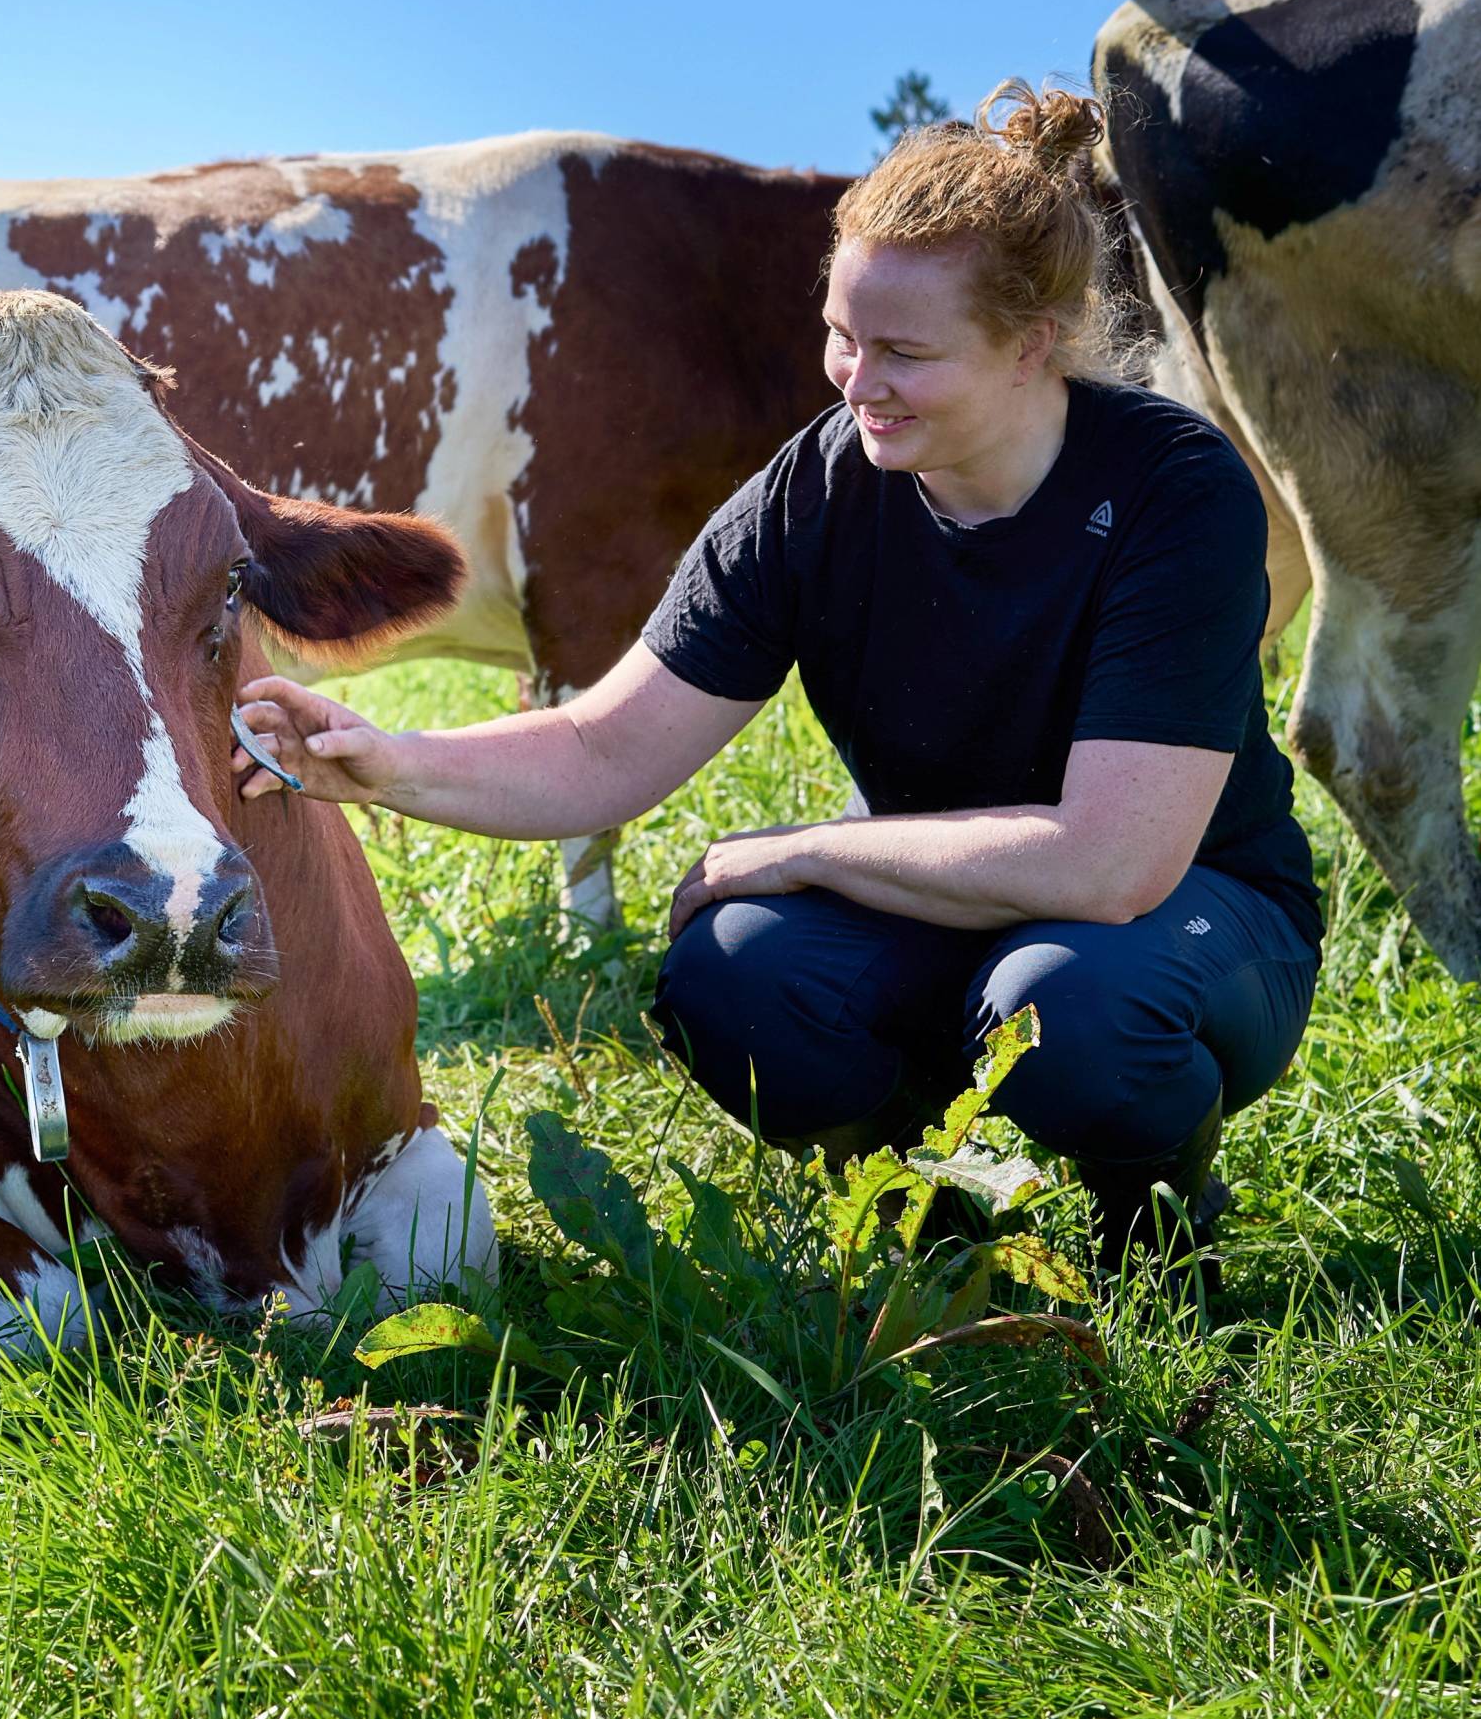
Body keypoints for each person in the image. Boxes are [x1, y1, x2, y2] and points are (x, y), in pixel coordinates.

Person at [234, 82, 1321, 1285]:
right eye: (841, 337)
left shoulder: (1173, 490)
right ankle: (926, 1224)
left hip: (1186, 915)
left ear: (1032, 345)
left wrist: (806, 849)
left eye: (904, 352)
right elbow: (607, 746)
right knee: (732, 974)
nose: (857, 382)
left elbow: (1110, 864)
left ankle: (1155, 1228)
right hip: (948, 900)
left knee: (1062, 1002)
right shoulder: (818, 493)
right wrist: (387, 761)